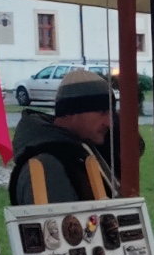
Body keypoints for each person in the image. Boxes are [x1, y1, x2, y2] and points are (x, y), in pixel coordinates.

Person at [8, 69, 119, 204]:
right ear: (71, 112)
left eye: (111, 113)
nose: (109, 122)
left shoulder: (79, 149)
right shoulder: (46, 165)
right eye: (101, 111)